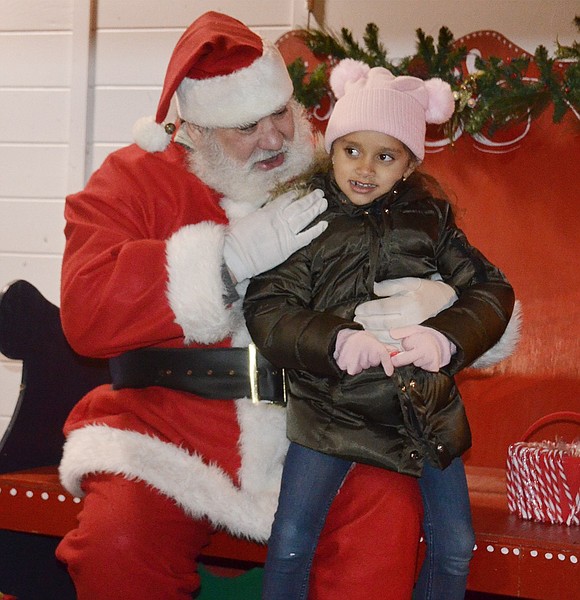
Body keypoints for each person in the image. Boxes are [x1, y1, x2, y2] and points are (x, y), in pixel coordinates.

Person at [55, 12, 462, 599]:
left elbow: (437, 250)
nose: (275, 139)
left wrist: (444, 307)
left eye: (280, 113)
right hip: (168, 429)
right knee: (116, 546)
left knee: (387, 521)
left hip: (325, 422)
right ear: (192, 130)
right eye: (247, 125)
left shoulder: (338, 171)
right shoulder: (132, 180)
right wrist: (225, 260)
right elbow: (85, 311)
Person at [244, 59, 516, 600]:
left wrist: (446, 334)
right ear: (333, 149)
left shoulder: (430, 219)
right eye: (351, 150)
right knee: (292, 541)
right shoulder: (309, 215)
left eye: (385, 156)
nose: (364, 168)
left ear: (409, 165)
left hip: (422, 406)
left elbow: (492, 289)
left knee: (455, 544)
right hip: (330, 407)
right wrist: (337, 339)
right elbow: (269, 309)